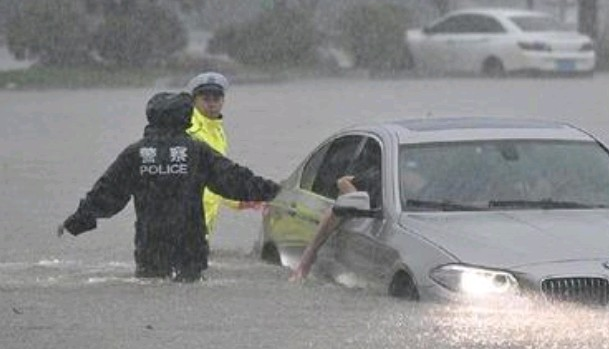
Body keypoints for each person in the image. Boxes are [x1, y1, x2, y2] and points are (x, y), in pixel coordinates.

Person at [58, 92, 281, 282]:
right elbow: (235, 180)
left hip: (150, 245)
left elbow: (107, 193)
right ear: (186, 117)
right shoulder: (196, 152)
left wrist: (78, 221)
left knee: (153, 286)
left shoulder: (135, 154)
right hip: (190, 244)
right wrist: (276, 192)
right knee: (189, 290)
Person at [185, 72, 263, 236]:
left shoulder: (217, 130)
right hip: (187, 217)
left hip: (204, 220)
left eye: (216, 99)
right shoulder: (190, 132)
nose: (212, 104)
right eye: (206, 99)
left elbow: (219, 176)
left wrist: (241, 201)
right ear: (194, 100)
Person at [289, 148, 381, 282]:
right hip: (321, 213)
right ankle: (307, 258)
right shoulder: (376, 176)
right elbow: (342, 182)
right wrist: (354, 195)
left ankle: (308, 257)